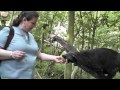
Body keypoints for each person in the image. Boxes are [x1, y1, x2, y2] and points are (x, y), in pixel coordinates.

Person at [0, 11, 65, 79]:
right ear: (24, 20)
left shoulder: (30, 36)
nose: (35, 25)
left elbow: (39, 55)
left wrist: (54, 58)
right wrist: (11, 54)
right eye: (33, 23)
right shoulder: (9, 31)